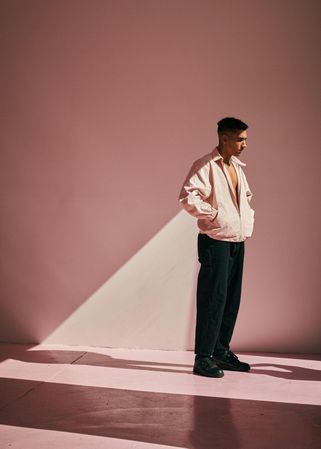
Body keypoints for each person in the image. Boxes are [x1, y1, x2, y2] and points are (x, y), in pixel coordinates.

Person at [178, 117, 255, 378]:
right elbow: (188, 196)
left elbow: (244, 197)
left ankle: (221, 352)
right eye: (240, 139)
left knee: (231, 300)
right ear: (225, 138)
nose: (245, 144)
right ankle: (203, 358)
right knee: (213, 299)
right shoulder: (205, 165)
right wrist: (215, 215)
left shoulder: (238, 167)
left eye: (245, 139)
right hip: (215, 242)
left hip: (236, 240)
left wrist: (246, 218)